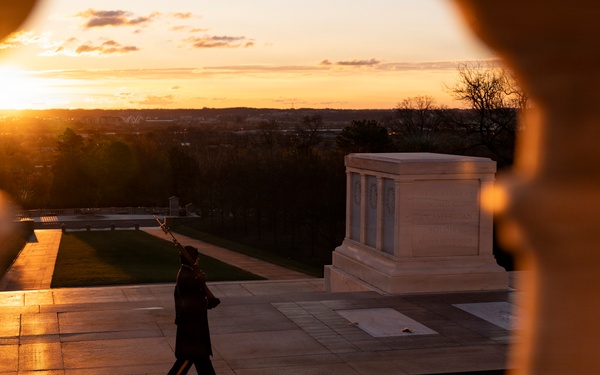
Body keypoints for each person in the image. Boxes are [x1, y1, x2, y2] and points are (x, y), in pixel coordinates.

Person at [168, 245, 220, 375]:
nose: (198, 260)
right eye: (197, 258)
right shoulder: (188, 276)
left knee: (203, 365)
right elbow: (195, 303)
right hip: (192, 333)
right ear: (193, 259)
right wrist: (202, 284)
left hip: (195, 333)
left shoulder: (188, 274)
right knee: (186, 362)